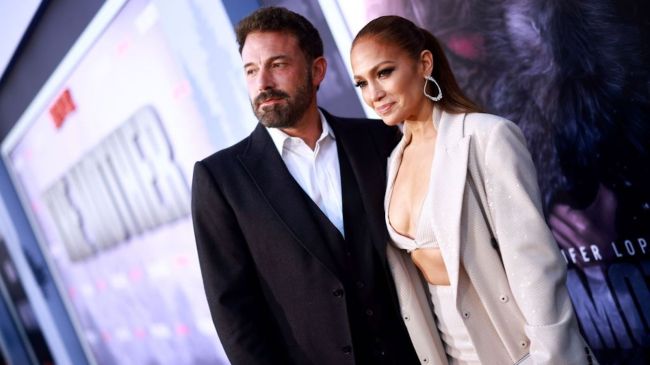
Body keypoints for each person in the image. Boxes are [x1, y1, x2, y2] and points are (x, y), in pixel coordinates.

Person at [350, 15, 595, 364]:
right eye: (361, 82)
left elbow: (535, 263)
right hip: (447, 352)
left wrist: (547, 356)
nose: (373, 94)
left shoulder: (486, 137)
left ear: (424, 64)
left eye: (384, 73)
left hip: (514, 346)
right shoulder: (393, 161)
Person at [191, 7, 420, 365]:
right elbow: (234, 313)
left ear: (317, 71)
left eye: (277, 65)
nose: (262, 83)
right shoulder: (220, 180)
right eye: (251, 70)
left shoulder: (379, 140)